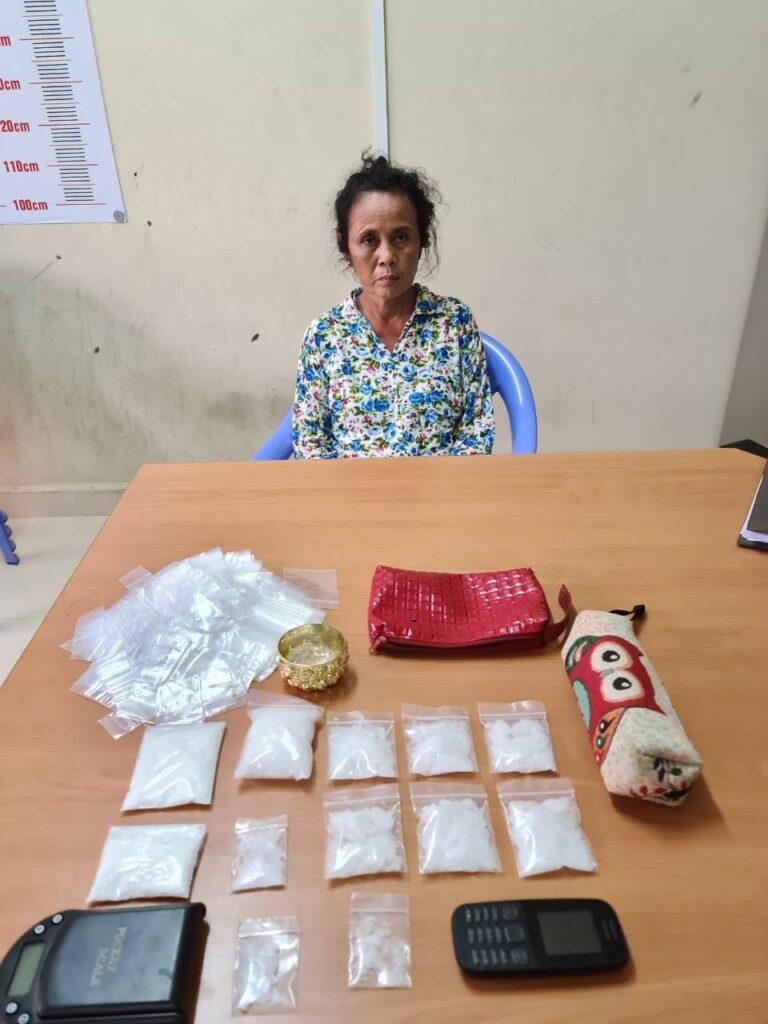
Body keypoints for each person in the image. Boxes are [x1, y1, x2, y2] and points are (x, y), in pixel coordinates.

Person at [292, 153, 495, 459]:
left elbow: (476, 433)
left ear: (422, 241)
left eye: (401, 237)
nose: (387, 256)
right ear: (345, 247)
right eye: (369, 240)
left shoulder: (454, 324)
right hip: (349, 490)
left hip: (442, 489)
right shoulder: (324, 336)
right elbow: (310, 445)